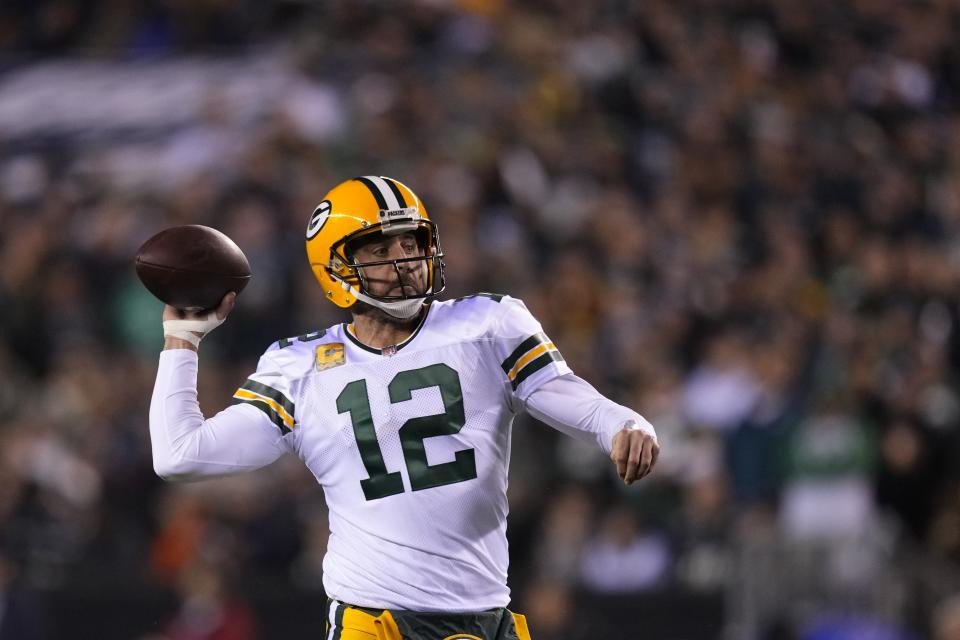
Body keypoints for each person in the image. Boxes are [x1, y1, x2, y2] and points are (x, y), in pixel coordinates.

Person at [150, 176, 660, 640]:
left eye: (410, 242)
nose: (404, 259)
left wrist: (623, 422)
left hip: (483, 616)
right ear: (336, 265)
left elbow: (567, 393)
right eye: (378, 248)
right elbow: (179, 454)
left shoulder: (488, 323)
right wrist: (183, 340)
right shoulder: (298, 366)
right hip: (372, 622)